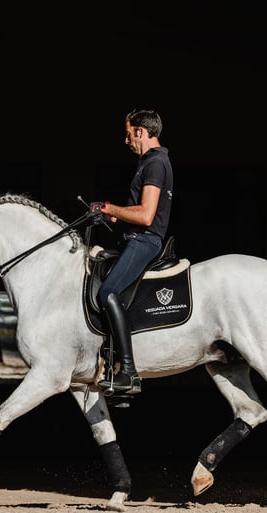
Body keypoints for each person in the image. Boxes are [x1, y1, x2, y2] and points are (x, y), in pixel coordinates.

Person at [90, 109, 173, 396]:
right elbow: (137, 211)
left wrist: (111, 208)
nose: (126, 141)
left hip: (145, 241)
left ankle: (128, 371)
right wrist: (116, 216)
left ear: (140, 131)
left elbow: (147, 215)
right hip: (135, 238)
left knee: (107, 293)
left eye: (128, 134)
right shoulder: (149, 162)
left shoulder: (155, 163)